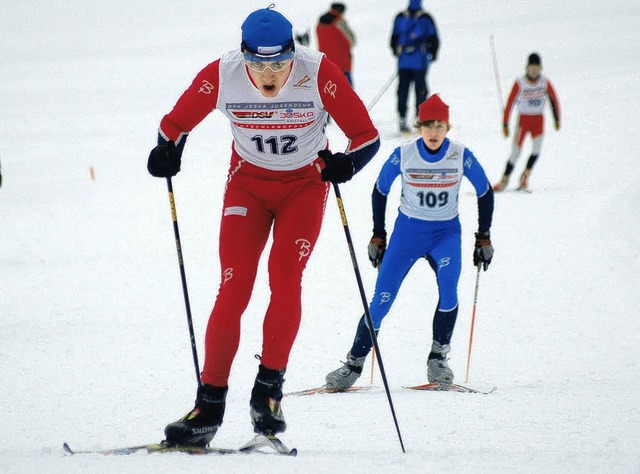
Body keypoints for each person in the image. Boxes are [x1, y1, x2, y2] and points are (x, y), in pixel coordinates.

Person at [147, 6, 380, 447]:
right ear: (243, 57)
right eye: (258, 64)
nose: (269, 74)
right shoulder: (223, 74)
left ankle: (267, 393)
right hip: (248, 187)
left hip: (304, 187)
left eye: (279, 64)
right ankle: (208, 405)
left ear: (295, 54)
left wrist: (347, 163)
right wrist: (166, 152)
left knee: (285, 279)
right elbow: (174, 124)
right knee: (233, 286)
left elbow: (366, 135)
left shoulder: (319, 71)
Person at [325, 94, 494, 389]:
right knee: (381, 301)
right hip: (407, 234)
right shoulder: (404, 154)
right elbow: (380, 190)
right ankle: (353, 364)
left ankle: (437, 358)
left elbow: (484, 191)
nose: (433, 133)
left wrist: (483, 237)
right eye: (428, 126)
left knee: (450, 290)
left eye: (440, 126)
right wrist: (379, 234)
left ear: (447, 127)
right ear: (419, 126)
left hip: (445, 234)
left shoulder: (459, 154)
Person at [493, 52, 561, 192]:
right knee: (515, 152)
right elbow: (510, 103)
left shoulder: (544, 82)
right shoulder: (520, 83)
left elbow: (554, 100)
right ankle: (504, 179)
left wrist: (557, 118)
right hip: (523, 121)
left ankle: (525, 176)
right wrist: (505, 124)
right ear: (527, 67)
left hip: (538, 121)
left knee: (536, 150)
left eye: (537, 67)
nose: (534, 70)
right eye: (532, 67)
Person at [390, 0, 439, 133]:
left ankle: (402, 117)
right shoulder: (425, 18)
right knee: (421, 90)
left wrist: (396, 51)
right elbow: (434, 38)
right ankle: (420, 119)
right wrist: (433, 53)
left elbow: (393, 38)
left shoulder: (400, 17)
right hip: (420, 62)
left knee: (403, 90)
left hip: (404, 62)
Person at [316, 3, 357, 85]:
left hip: (326, 63)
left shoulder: (320, 22)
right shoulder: (338, 21)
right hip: (342, 64)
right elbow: (352, 40)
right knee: (348, 93)